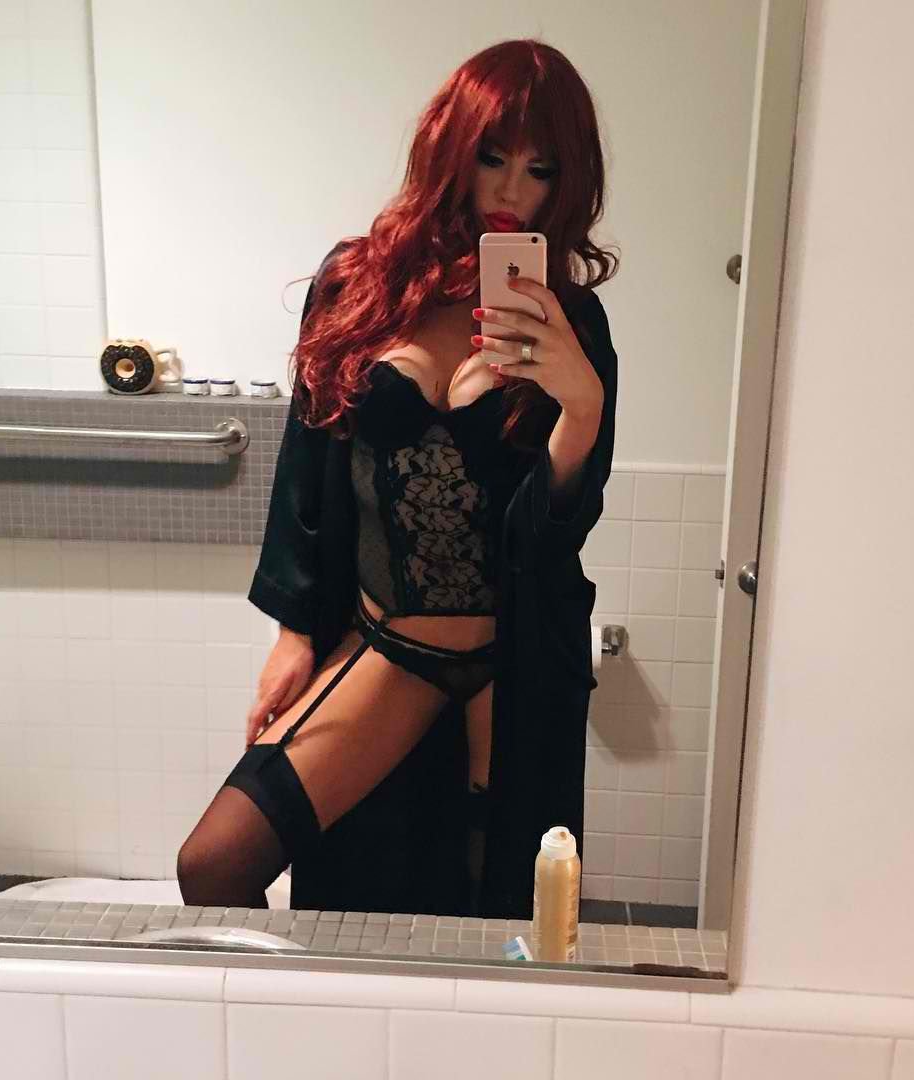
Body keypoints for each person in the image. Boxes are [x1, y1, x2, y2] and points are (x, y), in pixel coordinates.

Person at [177, 38, 619, 919]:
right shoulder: (359, 283)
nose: (512, 189)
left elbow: (564, 523)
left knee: (501, 924)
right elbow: (310, 460)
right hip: (387, 648)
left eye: (540, 170)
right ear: (452, 148)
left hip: (516, 661)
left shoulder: (572, 320)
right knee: (216, 863)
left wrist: (581, 405)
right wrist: (294, 634)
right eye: (492, 157)